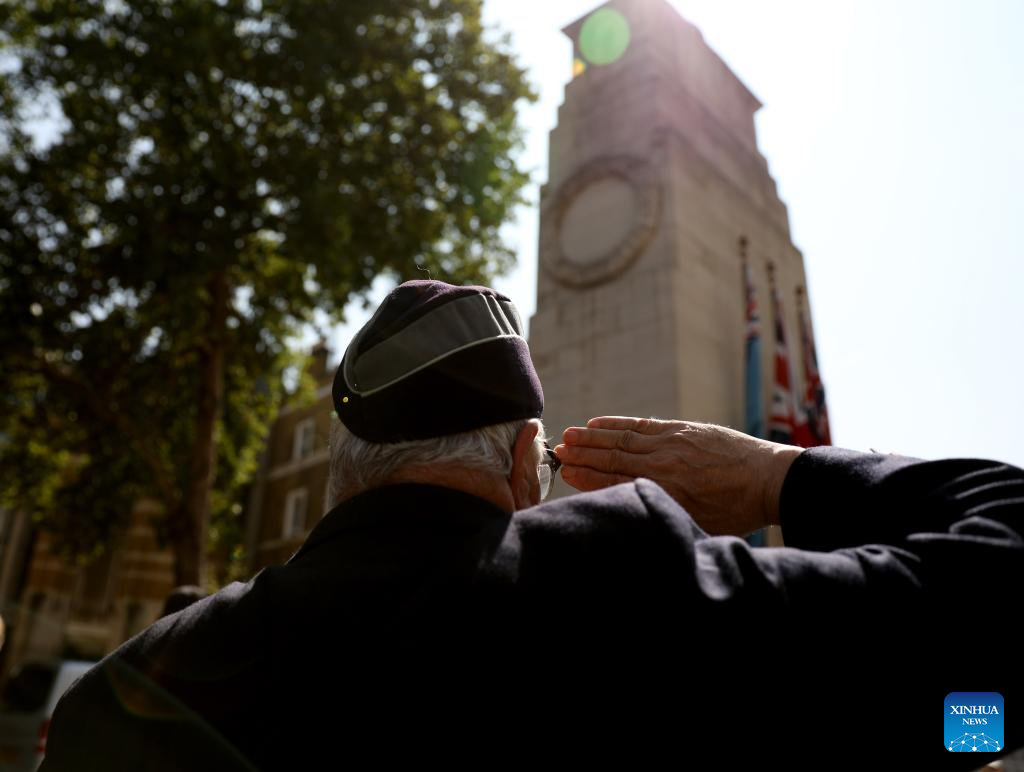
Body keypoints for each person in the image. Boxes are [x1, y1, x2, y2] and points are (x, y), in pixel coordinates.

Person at [41, 280, 1023, 770]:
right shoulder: (626, 583)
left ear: (344, 476)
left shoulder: (123, 699)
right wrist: (781, 476)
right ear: (523, 461)